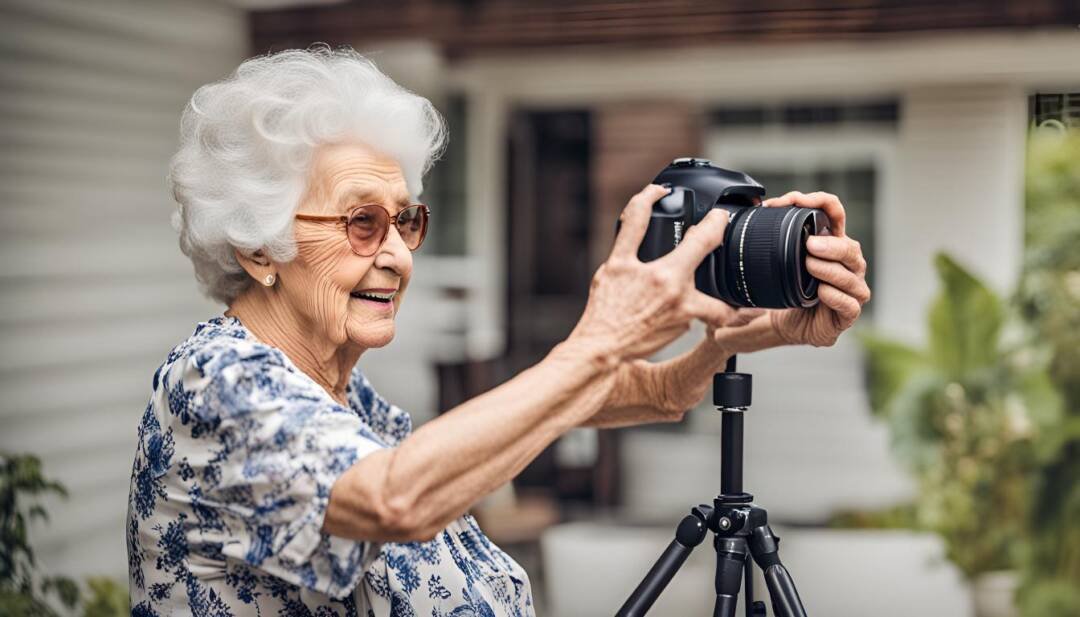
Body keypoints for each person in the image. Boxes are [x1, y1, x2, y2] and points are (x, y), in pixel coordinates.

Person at [126, 45, 870, 616]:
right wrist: (600, 337)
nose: (395, 254)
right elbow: (394, 500)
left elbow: (580, 402)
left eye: (405, 220)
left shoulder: (345, 400)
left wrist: (731, 340)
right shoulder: (216, 383)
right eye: (361, 223)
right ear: (259, 247)